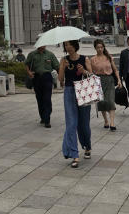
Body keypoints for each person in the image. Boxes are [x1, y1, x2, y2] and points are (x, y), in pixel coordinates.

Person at [58, 40, 92, 168]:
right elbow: (60, 80)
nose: (67, 47)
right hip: (69, 91)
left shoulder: (85, 59)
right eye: (65, 45)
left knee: (83, 123)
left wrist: (84, 71)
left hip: (83, 91)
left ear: (75, 46)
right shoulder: (63, 60)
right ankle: (74, 154)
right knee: (71, 123)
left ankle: (87, 146)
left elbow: (91, 76)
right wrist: (62, 67)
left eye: (70, 44)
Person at [89, 39, 121, 131]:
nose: (100, 49)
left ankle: (112, 123)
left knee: (110, 101)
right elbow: (90, 73)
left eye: (101, 47)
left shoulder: (109, 57)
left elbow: (115, 70)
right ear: (95, 48)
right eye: (98, 47)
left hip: (109, 80)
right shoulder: (93, 59)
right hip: (98, 81)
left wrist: (119, 80)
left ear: (103, 48)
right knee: (102, 102)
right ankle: (106, 121)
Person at [25, 44, 59, 128]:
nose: (43, 46)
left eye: (44, 44)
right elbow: (26, 64)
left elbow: (57, 66)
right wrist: (29, 72)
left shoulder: (50, 54)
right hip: (36, 78)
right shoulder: (32, 54)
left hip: (47, 78)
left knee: (47, 98)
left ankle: (47, 119)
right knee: (39, 98)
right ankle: (43, 117)